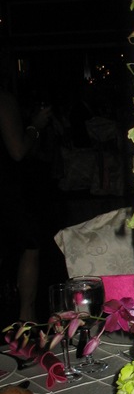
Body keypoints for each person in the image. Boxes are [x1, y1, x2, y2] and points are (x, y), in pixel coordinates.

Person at [0, 88, 52, 322]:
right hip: (8, 186)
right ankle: (25, 318)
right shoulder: (4, 98)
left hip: (11, 185)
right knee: (30, 245)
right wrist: (35, 126)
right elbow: (18, 151)